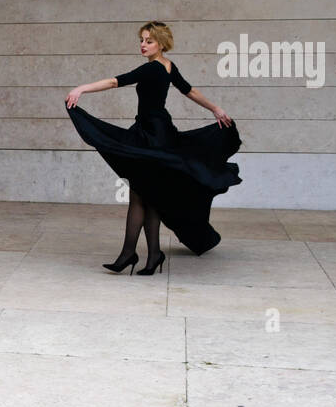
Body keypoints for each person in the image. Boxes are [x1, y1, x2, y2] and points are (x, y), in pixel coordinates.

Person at [64, 21, 241, 273]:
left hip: (150, 135)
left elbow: (116, 82)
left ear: (161, 43)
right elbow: (189, 90)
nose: (143, 45)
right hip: (160, 131)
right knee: (150, 194)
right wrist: (215, 108)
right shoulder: (168, 67)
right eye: (142, 40)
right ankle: (152, 255)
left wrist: (81, 88)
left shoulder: (153, 69)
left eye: (149, 40)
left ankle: (130, 254)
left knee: (139, 193)